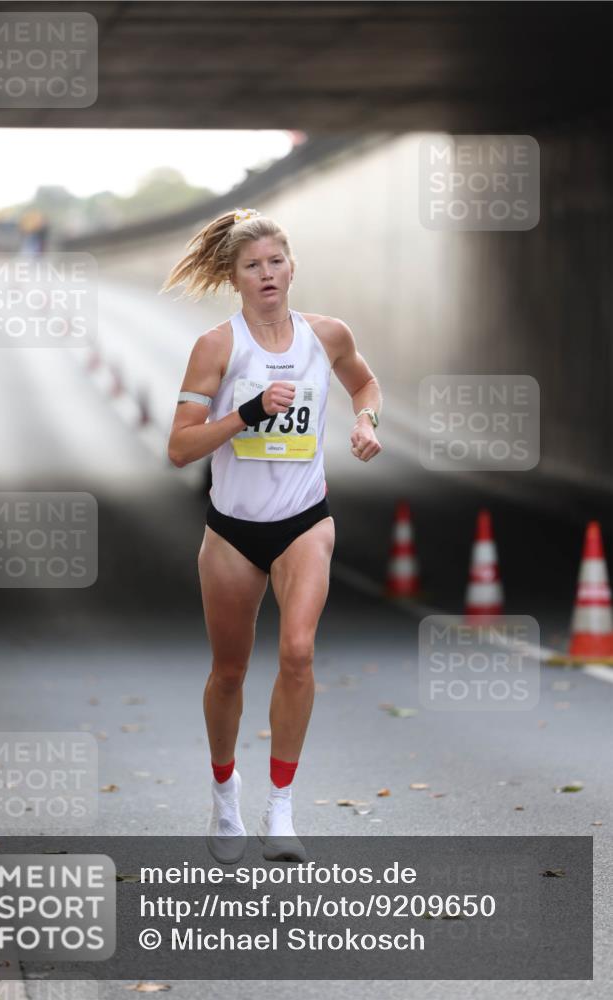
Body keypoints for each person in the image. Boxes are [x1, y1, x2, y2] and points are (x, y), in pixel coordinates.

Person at [164, 208, 382, 863]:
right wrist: (249, 412)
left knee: (297, 653)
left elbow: (363, 383)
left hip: (303, 521)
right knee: (228, 673)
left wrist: (366, 421)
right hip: (232, 530)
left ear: (291, 267)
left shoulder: (327, 335)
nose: (266, 274)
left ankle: (280, 809)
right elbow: (179, 448)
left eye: (275, 262)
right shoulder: (217, 347)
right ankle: (224, 798)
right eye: (252, 266)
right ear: (233, 277)